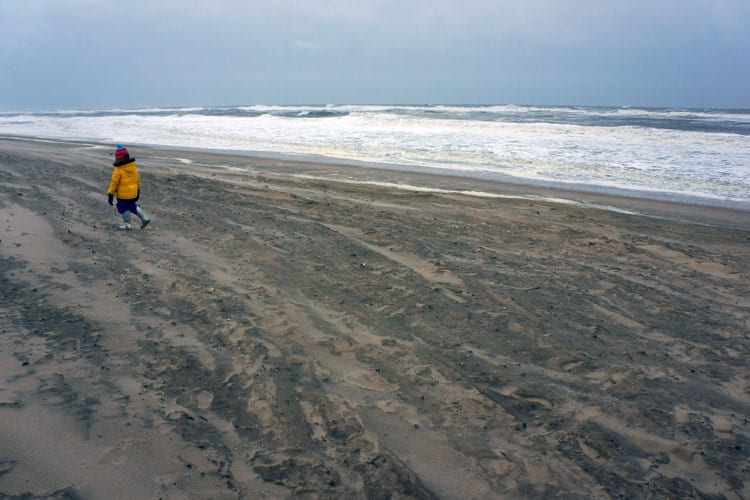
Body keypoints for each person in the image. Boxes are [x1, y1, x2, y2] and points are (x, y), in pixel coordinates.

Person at [107, 144, 151, 230]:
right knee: (132, 206)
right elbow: (137, 180)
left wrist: (110, 194)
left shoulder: (118, 169)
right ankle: (144, 218)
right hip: (133, 193)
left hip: (123, 195)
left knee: (122, 207)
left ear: (118, 158)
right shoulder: (133, 166)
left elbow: (114, 183)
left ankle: (127, 224)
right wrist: (138, 191)